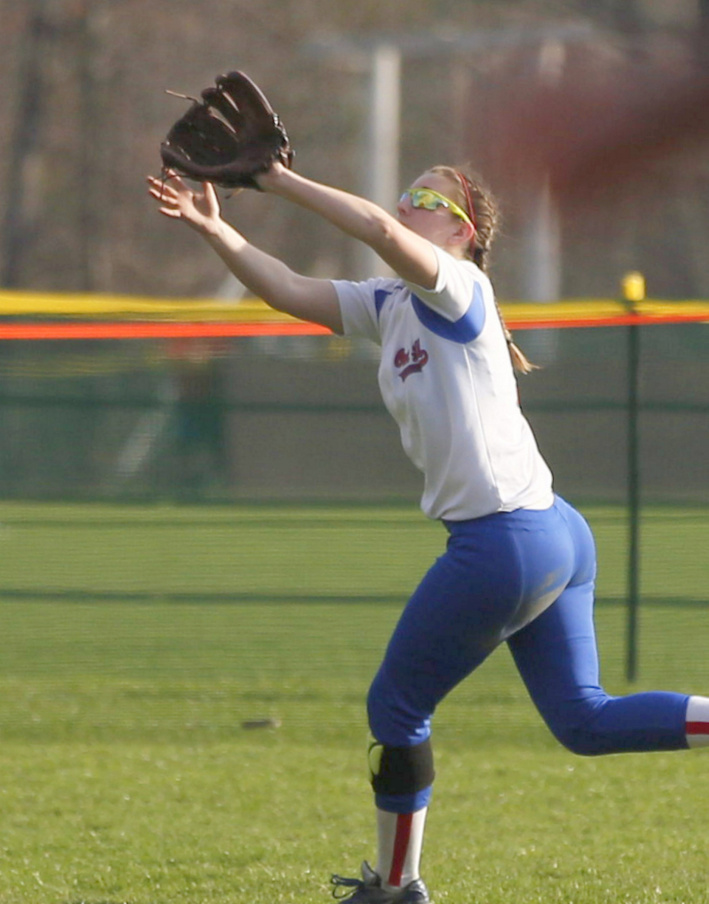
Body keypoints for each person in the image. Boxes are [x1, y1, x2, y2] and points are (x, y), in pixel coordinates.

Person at [147, 161, 709, 904]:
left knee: (396, 708)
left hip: (504, 540)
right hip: (548, 530)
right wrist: (218, 227)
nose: (405, 205)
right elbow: (286, 289)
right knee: (583, 720)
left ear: (461, 231)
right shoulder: (390, 301)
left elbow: (377, 229)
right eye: (406, 193)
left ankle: (395, 886)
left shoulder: (457, 286)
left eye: (427, 199)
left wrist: (274, 179)